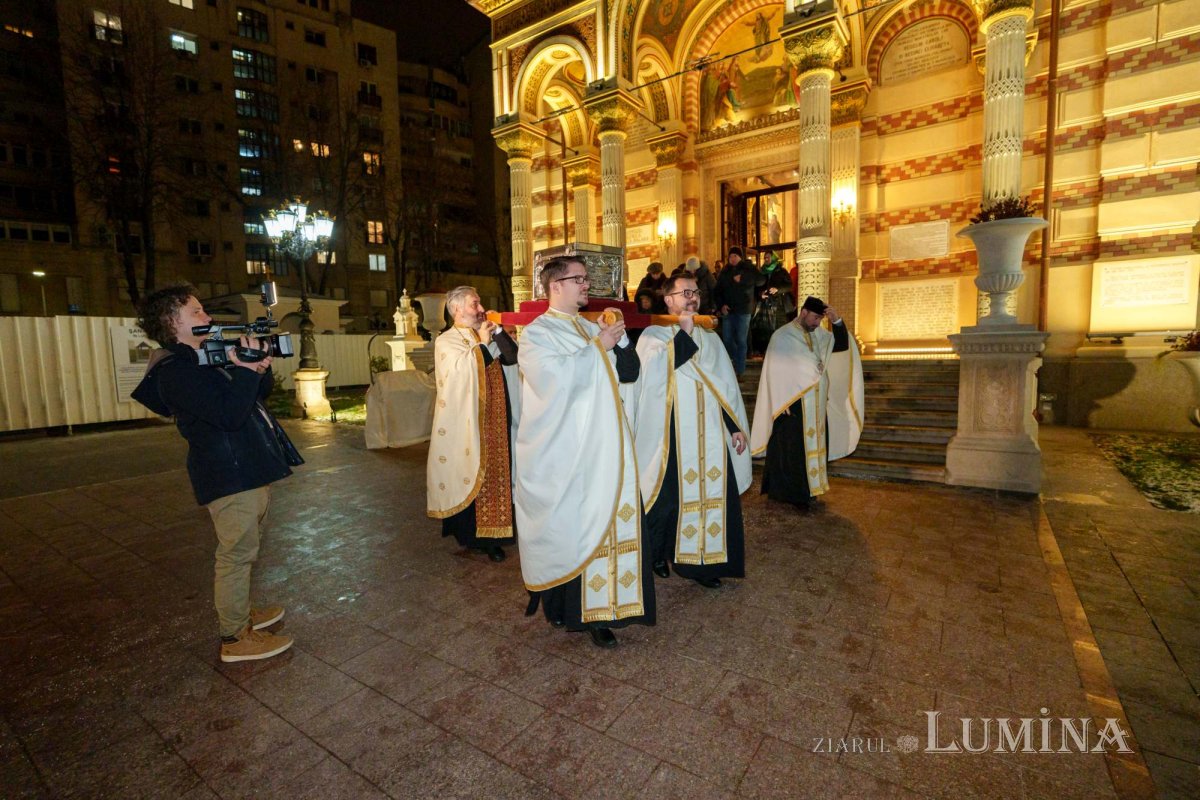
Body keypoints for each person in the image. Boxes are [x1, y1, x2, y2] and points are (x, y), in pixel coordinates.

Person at [132, 284, 296, 663]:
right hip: (228, 473)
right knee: (236, 554)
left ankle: (242, 613)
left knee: (246, 549)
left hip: (245, 466)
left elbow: (253, 396)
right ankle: (235, 637)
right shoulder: (175, 372)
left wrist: (257, 367)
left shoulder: (203, 357)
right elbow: (228, 414)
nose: (207, 318)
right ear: (173, 322)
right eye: (197, 312)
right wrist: (242, 370)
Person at [514, 256, 655, 648]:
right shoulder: (538, 335)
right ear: (554, 286)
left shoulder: (586, 326)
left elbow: (628, 374)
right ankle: (581, 612)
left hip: (608, 447)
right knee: (577, 527)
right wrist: (598, 347)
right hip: (572, 453)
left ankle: (610, 606)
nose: (586, 285)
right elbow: (553, 381)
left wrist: (620, 339)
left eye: (586, 279)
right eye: (578, 279)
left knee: (604, 522)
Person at [635, 274, 751, 589]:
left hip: (711, 435)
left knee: (712, 498)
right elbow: (657, 376)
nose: (693, 297)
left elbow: (723, 388)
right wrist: (683, 334)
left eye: (696, 292)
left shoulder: (711, 338)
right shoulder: (653, 335)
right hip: (671, 436)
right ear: (668, 298)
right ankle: (657, 555)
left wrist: (734, 426)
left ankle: (701, 565)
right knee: (666, 501)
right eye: (685, 292)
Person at [427, 286, 520, 562]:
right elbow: (463, 371)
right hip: (465, 424)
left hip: (495, 418)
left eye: (479, 303)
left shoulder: (484, 334)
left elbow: (512, 357)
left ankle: (496, 533)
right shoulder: (447, 341)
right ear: (456, 310)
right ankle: (475, 538)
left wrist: (499, 332)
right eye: (474, 304)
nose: (480, 309)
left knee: (497, 473)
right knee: (469, 474)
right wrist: (481, 341)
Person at [750, 296, 864, 510]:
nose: (817, 323)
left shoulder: (819, 334)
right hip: (791, 405)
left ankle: (810, 489)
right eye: (814, 318)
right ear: (803, 313)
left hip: (816, 407)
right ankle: (789, 493)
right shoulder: (782, 336)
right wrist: (779, 401)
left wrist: (837, 321)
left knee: (809, 452)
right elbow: (775, 371)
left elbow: (840, 345)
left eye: (820, 319)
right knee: (791, 452)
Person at [714, 246, 764, 375]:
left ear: (740, 257)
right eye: (730, 256)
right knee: (727, 339)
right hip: (728, 311)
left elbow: (761, 280)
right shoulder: (725, 271)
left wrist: (743, 279)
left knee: (741, 340)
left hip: (743, 310)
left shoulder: (748, 268)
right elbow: (717, 291)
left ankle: (740, 371)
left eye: (735, 256)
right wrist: (721, 306)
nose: (732, 258)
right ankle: (737, 361)